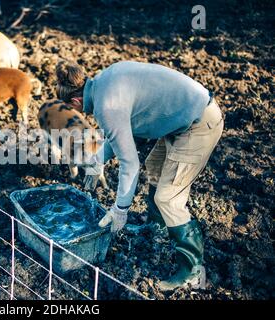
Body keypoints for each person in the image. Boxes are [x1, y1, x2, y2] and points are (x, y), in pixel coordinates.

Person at [55, 59, 224, 291]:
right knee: (154, 166)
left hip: (198, 123)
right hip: (180, 119)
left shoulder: (106, 106)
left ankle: (193, 273)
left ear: (75, 101)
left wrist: (120, 209)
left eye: (74, 107)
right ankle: (158, 230)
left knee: (168, 198)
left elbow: (129, 163)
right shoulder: (104, 80)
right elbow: (121, 132)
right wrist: (98, 161)